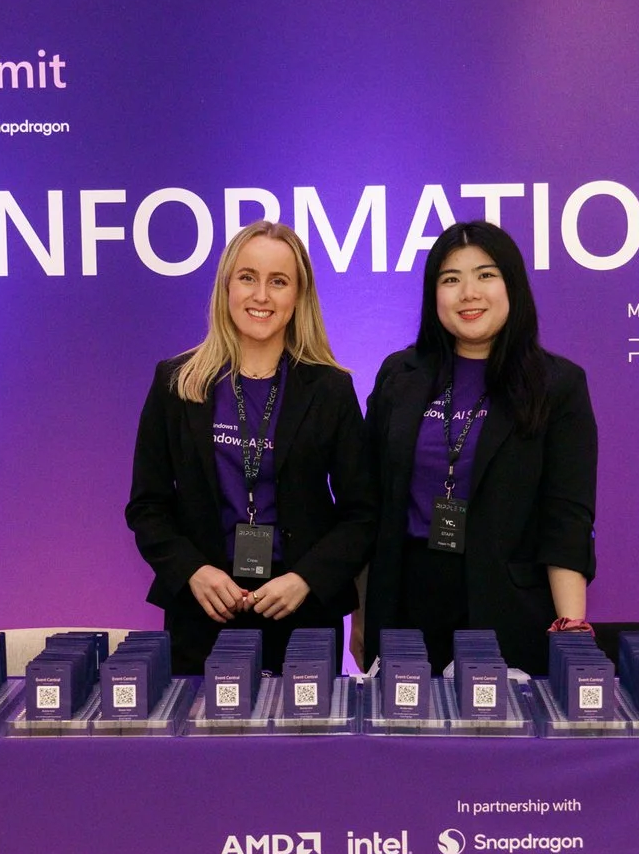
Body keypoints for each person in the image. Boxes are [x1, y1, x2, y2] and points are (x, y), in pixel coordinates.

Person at [127, 221, 374, 673]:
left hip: (301, 614)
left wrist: (306, 578)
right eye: (247, 277)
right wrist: (193, 571)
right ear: (226, 287)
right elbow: (147, 507)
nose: (261, 295)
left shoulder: (330, 390)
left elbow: (362, 513)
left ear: (298, 296)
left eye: (278, 281)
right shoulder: (175, 383)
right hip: (204, 612)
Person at [362, 221, 598, 674]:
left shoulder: (558, 385)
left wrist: (571, 627)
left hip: (510, 611)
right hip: (406, 606)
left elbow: (567, 518)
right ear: (434, 295)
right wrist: (361, 615)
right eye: (451, 279)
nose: (468, 293)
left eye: (486, 275)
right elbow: (369, 505)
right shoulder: (399, 376)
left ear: (513, 286)